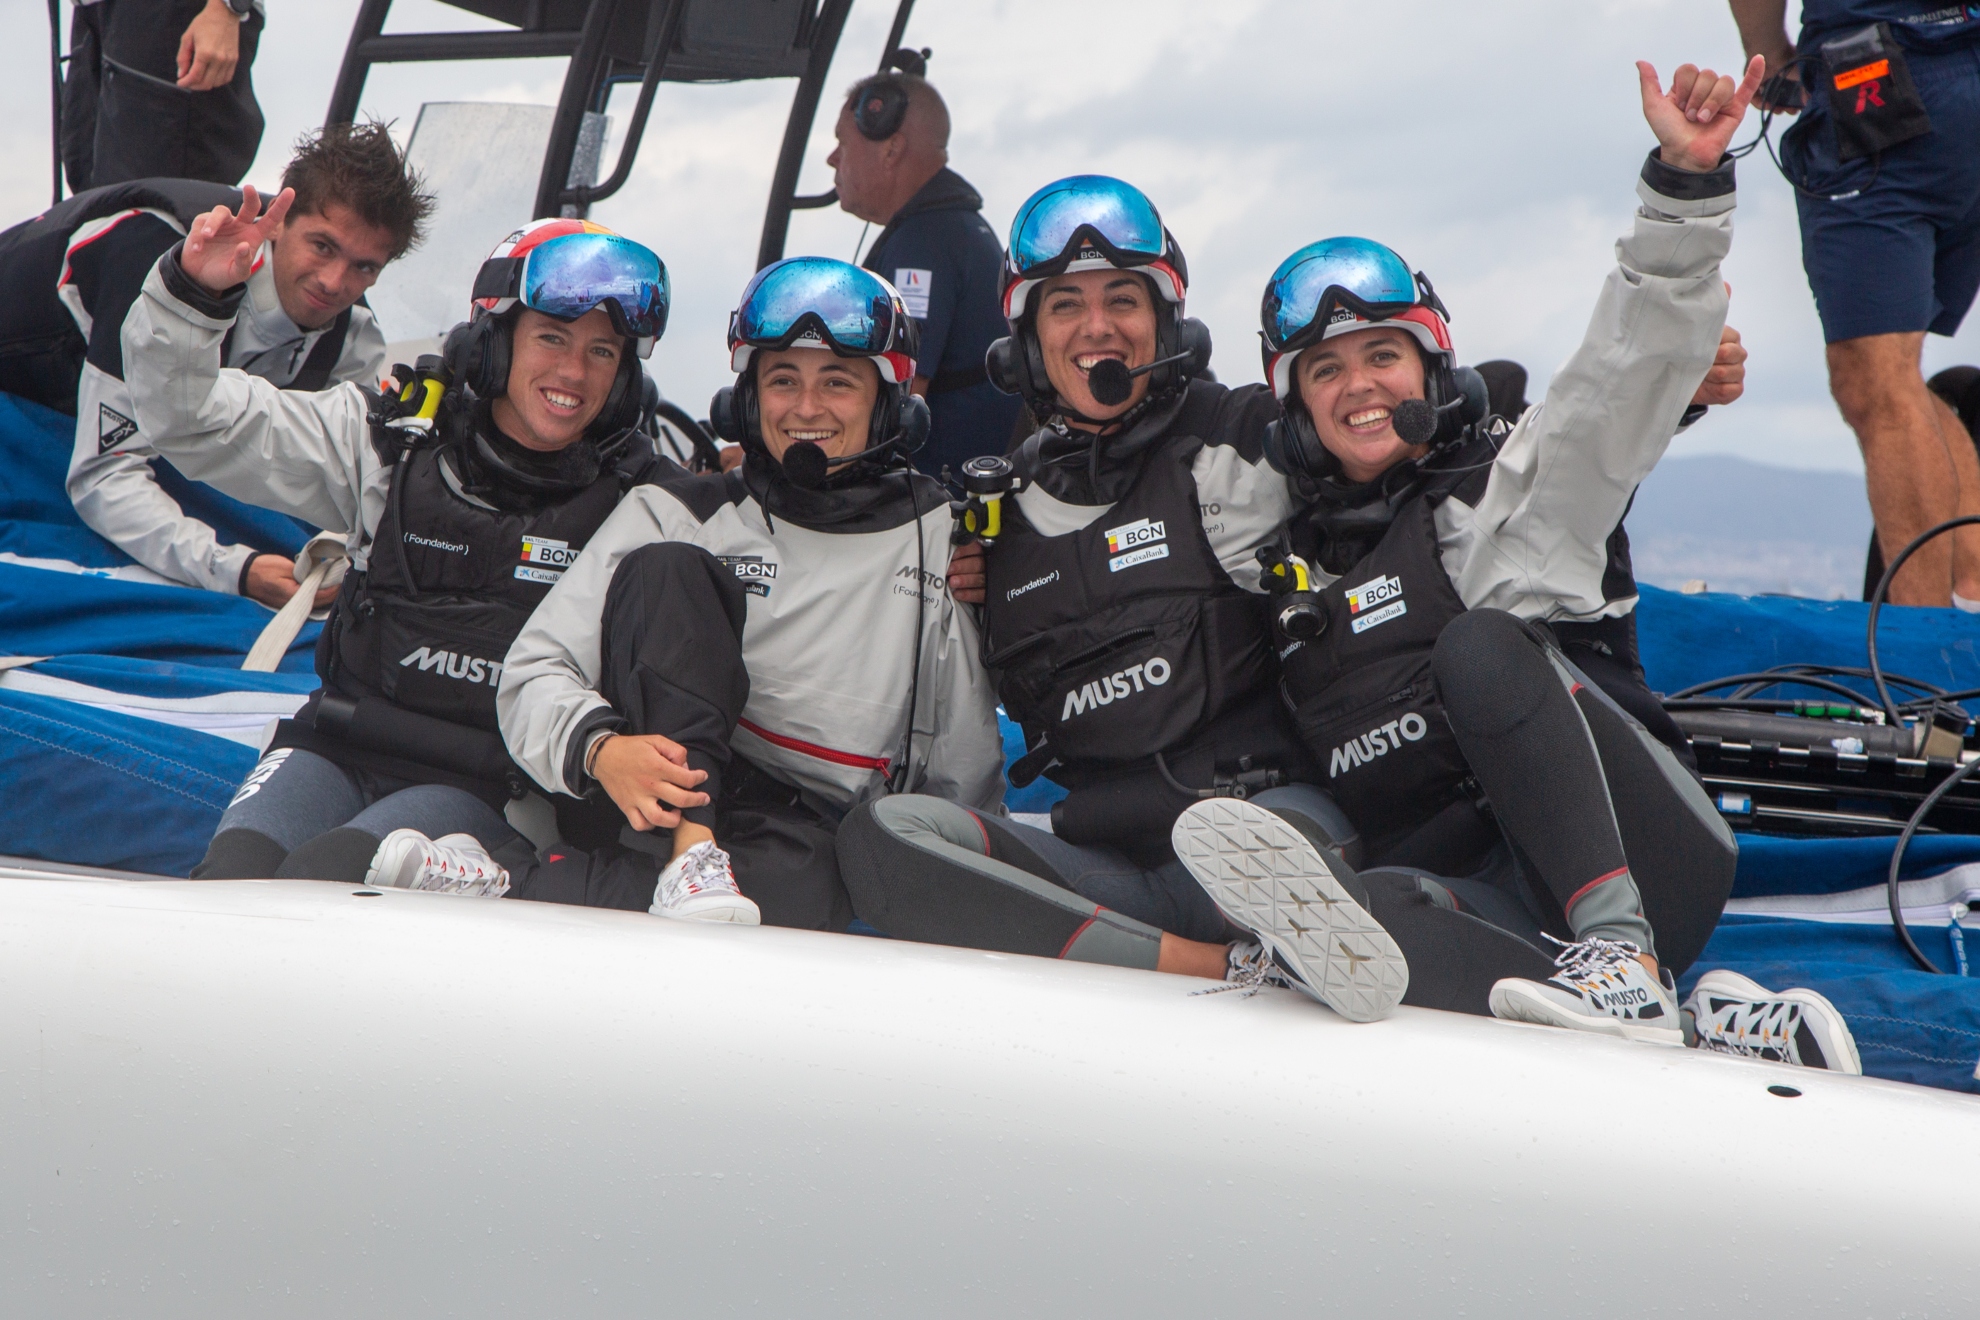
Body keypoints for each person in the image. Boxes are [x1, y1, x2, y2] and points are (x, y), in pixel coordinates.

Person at [842, 58, 1817, 1050]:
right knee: (1371, 916)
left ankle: (1626, 957)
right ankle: (1700, 1027)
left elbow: (1603, 400)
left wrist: (1684, 206)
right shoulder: (1052, 527)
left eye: (1383, 357)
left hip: (1622, 858)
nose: (1358, 390)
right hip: (1433, 887)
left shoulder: (1486, 504)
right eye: (1326, 371)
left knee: (1477, 652)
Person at [119, 200, 676, 888]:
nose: (575, 373)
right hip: (337, 739)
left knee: (329, 876)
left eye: (602, 352)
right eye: (553, 339)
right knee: (233, 876)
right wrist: (193, 295)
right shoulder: (391, 441)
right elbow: (190, 421)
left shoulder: (644, 507)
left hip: (497, 788)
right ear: (494, 342)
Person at [493, 256, 1004, 928]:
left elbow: (962, 770)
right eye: (783, 379)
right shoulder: (675, 511)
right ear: (746, 400)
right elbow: (532, 673)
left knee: (812, 888)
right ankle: (688, 856)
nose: (807, 407)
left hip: (800, 846)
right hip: (638, 805)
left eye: (838, 382)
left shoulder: (939, 540)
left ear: (889, 404)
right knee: (670, 568)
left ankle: (511, 883)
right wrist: (600, 750)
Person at [0, 122, 428, 607]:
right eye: (323, 246)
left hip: (119, 438)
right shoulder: (162, 258)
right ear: (279, 220)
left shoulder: (353, 338)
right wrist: (236, 570)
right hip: (24, 408)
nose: (334, 282)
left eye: (364, 266)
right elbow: (101, 478)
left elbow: (356, 486)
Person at [1728, 1, 1980, 607]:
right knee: (1897, 376)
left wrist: (1767, 49)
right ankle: (1970, 609)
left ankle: (1928, 673)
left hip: (1885, 68)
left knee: (1876, 378)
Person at [825, 64, 1021, 478]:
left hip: (933, 505)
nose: (832, 158)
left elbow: (897, 399)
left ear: (891, 149)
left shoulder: (925, 243)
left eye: (843, 142)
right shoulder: (953, 227)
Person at [63, 0, 265, 193]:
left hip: (180, 15)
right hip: (95, 15)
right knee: (97, 204)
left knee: (156, 204)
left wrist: (226, 7)